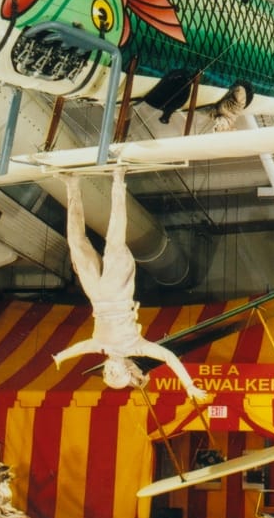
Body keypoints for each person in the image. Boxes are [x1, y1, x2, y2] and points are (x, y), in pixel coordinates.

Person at [53, 171, 209, 402]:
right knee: (115, 240)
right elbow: (168, 357)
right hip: (117, 292)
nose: (109, 370)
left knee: (76, 243)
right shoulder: (136, 347)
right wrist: (189, 386)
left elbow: (79, 348)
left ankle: (72, 185)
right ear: (128, 369)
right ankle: (118, 180)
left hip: (96, 294)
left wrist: (61, 357)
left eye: (107, 373)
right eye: (114, 374)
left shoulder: (100, 346)